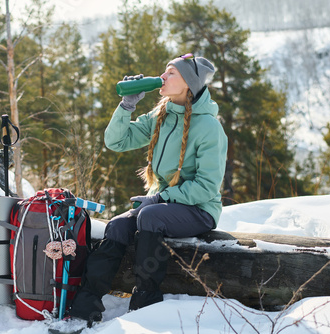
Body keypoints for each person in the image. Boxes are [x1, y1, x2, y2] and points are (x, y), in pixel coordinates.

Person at [68, 54, 228, 324]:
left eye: (171, 73)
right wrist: (126, 106)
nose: (162, 77)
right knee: (118, 225)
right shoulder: (161, 115)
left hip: (199, 210)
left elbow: (206, 187)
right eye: (164, 72)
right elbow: (116, 141)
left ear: (189, 83)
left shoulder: (209, 127)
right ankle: (85, 306)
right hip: (165, 206)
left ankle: (145, 301)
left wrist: (159, 197)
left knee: (149, 217)